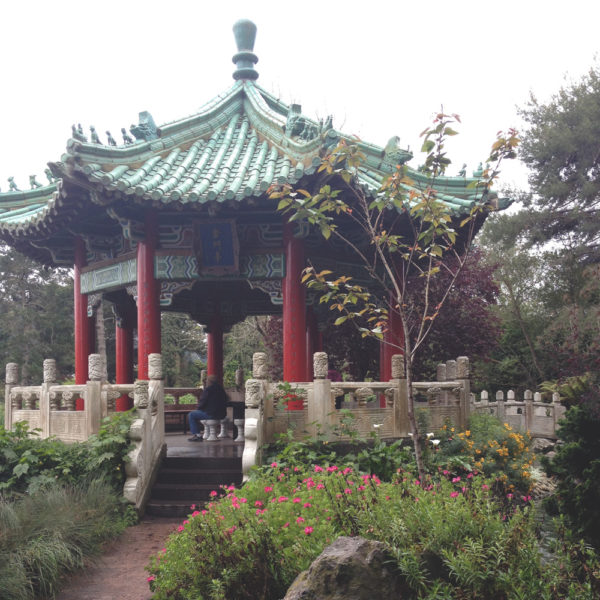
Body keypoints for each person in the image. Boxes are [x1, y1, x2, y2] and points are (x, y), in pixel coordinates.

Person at [188, 375, 228, 441]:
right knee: (197, 413)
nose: (206, 382)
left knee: (192, 414)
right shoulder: (221, 390)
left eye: (207, 380)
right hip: (222, 414)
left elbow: (202, 402)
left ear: (209, 382)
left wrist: (198, 408)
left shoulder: (208, 390)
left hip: (211, 414)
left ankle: (197, 435)